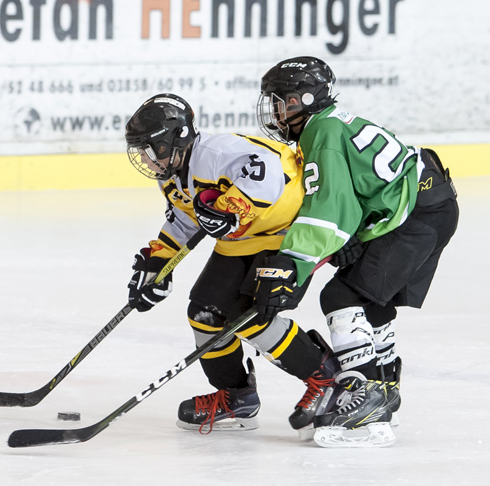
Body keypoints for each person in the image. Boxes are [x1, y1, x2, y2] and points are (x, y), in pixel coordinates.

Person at [252, 57, 459, 447]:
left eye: (284, 102)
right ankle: (384, 388)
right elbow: (354, 193)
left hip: (415, 215)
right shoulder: (330, 122)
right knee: (369, 298)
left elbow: (328, 209)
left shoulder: (321, 132)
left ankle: (367, 401)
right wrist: (353, 236)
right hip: (427, 205)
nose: (277, 112)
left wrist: (291, 263)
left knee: (341, 296)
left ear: (307, 99)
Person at [122, 93, 340, 436]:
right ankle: (237, 397)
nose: (148, 159)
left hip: (289, 231)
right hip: (245, 239)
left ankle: (327, 379)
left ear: (176, 140)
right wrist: (159, 261)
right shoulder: (172, 174)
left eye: (153, 149)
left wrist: (232, 207)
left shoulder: (215, 152)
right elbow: (185, 219)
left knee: (248, 314)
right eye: (143, 151)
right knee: (205, 313)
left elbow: (269, 172)